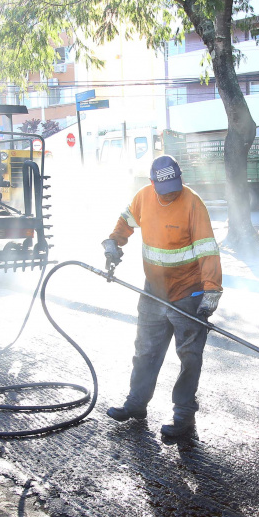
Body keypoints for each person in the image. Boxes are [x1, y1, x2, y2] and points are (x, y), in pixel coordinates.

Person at [101, 154, 223, 437]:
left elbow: (207, 250)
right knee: (145, 350)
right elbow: (124, 223)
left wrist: (212, 290)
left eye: (175, 187)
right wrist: (113, 242)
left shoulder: (193, 202)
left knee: (189, 356)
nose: (170, 194)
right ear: (152, 182)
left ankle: (183, 417)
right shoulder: (143, 198)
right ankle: (136, 403)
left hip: (187, 292)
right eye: (163, 188)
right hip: (154, 291)